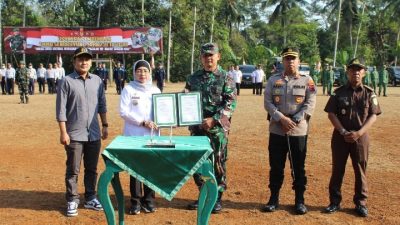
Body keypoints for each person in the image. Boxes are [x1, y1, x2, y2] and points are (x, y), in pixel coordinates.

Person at [324, 58, 381, 217]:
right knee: (338, 169)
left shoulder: (369, 93)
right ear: (347, 72)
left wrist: (359, 133)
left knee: (360, 170)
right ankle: (334, 202)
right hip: (340, 137)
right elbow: (331, 113)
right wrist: (342, 131)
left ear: (364, 72)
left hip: (360, 138)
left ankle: (361, 203)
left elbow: (373, 116)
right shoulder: (338, 92)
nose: (356, 72)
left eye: (359, 69)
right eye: (352, 69)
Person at [263, 47, 317, 215]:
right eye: (287, 58)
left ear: (299, 61)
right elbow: (268, 102)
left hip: (298, 130)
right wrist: (281, 118)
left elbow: (310, 102)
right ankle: (273, 198)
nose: (290, 61)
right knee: (276, 166)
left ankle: (299, 200)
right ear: (282, 61)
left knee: (298, 166)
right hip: (277, 129)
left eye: (293, 58)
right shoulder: (273, 80)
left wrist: (295, 119)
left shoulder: (307, 80)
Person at [56, 47, 108, 217]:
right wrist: (63, 132)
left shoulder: (98, 81)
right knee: (73, 169)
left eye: (87, 59)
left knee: (92, 169)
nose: (84, 62)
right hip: (74, 134)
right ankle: (72, 200)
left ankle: (91, 197)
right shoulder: (66, 81)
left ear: (91, 62)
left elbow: (102, 104)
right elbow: (61, 110)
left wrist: (105, 124)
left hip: (93, 133)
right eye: (80, 59)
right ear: (74, 62)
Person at [185, 43, 237, 213]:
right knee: (197, 162)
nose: (208, 58)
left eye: (211, 55)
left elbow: (230, 103)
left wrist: (213, 120)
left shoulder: (226, 77)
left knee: (218, 163)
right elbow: (185, 100)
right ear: (201, 58)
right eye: (205, 55)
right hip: (198, 129)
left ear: (218, 56)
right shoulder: (193, 78)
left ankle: (216, 198)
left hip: (217, 130)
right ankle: (203, 194)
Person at [120, 59, 161, 215]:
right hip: (134, 134)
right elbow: (123, 112)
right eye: (139, 71)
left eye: (145, 71)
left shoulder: (156, 91)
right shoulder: (128, 89)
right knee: (136, 169)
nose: (142, 74)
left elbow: (163, 111)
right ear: (134, 73)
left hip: (152, 135)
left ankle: (149, 201)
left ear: (150, 73)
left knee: (151, 168)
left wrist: (164, 121)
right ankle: (136, 202)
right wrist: (142, 122)